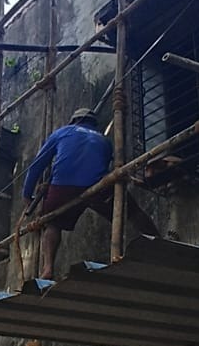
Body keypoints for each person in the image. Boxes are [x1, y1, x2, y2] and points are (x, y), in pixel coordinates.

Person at [22, 108, 159, 281]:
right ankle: (159, 242)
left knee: (53, 223)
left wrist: (27, 194)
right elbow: (100, 164)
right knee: (133, 212)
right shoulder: (104, 140)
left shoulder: (62, 132)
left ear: (74, 120)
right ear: (94, 123)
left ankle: (48, 269)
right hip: (98, 185)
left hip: (63, 187)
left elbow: (36, 166)